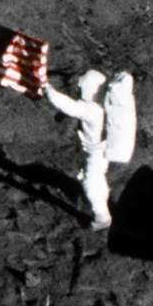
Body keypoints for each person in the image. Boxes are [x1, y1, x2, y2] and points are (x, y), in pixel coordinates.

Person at [41, 69, 135, 230]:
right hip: (101, 149)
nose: (79, 90)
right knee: (97, 176)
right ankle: (102, 195)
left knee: (90, 182)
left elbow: (68, 106)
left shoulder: (91, 110)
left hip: (95, 153)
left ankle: (102, 217)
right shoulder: (103, 105)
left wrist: (47, 88)